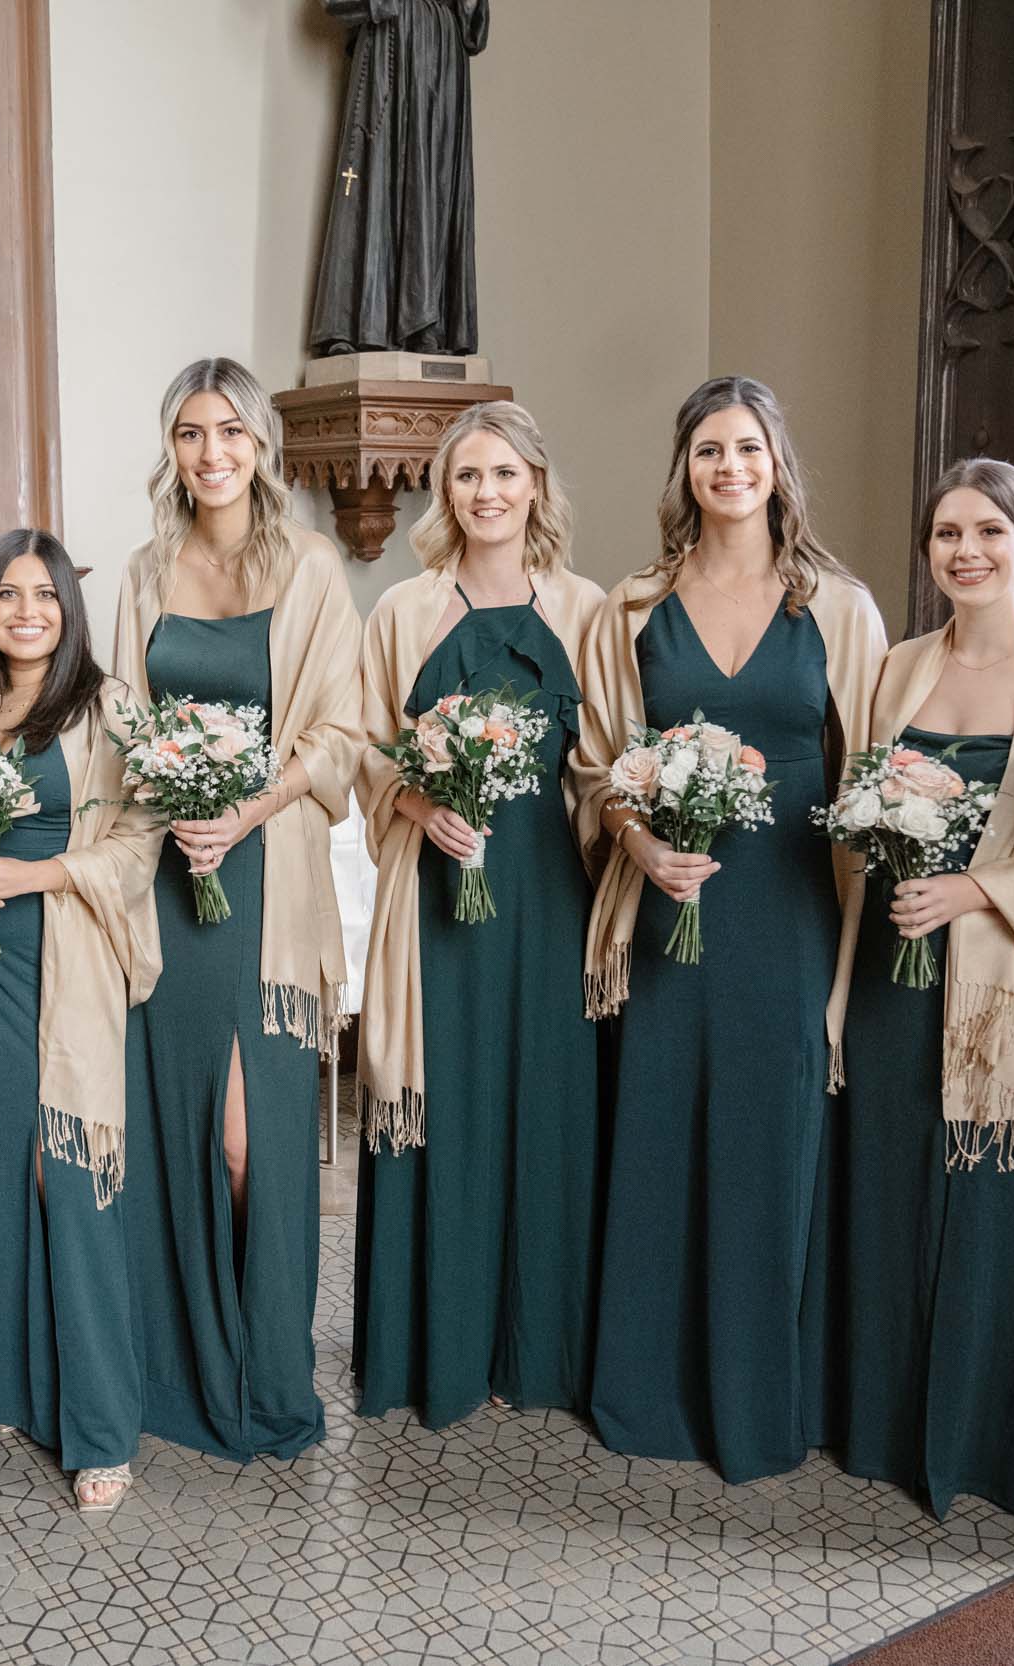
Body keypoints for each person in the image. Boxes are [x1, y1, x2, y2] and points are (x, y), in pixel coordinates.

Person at [573, 374, 885, 1482]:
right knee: (660, 1129)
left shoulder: (835, 608)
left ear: (774, 463)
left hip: (792, 905)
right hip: (671, 906)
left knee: (771, 1137)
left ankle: (761, 1397)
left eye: (746, 447)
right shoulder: (631, 605)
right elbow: (599, 759)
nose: (728, 468)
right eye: (708, 450)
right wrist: (640, 843)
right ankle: (647, 1387)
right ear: (684, 469)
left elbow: (872, 771)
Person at [815, 458, 1014, 1518]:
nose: (966, 552)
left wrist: (976, 891)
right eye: (946, 534)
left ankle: (975, 1440)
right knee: (886, 1186)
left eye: (990, 531)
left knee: (979, 1195)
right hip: (894, 962)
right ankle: (876, 1420)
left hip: (996, 976)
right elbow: (854, 799)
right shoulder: (895, 669)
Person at [108, 357, 363, 1462]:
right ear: (170, 448)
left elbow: (343, 730)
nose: (210, 453)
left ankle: (267, 1372)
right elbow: (118, 711)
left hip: (265, 875)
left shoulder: (308, 566)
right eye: (189, 433)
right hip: (167, 872)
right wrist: (174, 805)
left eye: (230, 432)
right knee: (186, 1134)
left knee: (255, 1140)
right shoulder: (143, 567)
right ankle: (182, 1365)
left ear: (261, 445)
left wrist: (247, 807)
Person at [350, 400, 606, 1427]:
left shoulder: (587, 608)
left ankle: (535, 1349)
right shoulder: (401, 611)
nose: (485, 493)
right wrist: (413, 798)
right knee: (442, 1096)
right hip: (435, 893)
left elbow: (604, 763)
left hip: (547, 889)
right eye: (465, 476)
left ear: (535, 484)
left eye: (503, 474)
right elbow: (362, 741)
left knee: (541, 1102)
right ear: (442, 491)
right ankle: (433, 1349)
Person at [0, 528, 160, 1512]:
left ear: (69, 608)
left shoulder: (107, 707)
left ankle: (102, 1428)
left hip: (68, 959)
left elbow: (138, 835)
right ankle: (28, 1391)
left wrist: (34, 874)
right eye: (5, 597)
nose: (26, 612)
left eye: (44, 595)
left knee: (70, 1176)